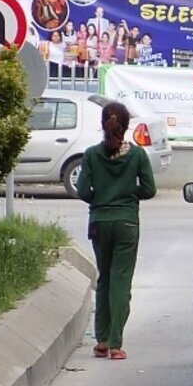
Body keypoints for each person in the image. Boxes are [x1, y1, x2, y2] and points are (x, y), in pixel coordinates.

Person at [77, 102, 156, 360]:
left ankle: (100, 339)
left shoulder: (90, 155)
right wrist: (129, 194)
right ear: (126, 126)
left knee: (105, 279)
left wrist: (100, 199)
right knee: (121, 281)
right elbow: (149, 190)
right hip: (127, 224)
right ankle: (115, 343)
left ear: (103, 124)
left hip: (99, 222)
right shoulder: (137, 156)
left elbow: (82, 191)